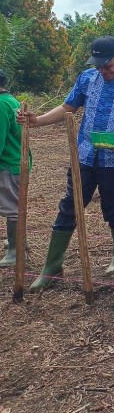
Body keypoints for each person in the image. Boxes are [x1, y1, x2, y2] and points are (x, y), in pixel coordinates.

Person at [16, 36, 114, 291]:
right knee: (69, 206)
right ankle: (52, 266)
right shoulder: (87, 78)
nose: (103, 70)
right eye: (98, 65)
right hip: (84, 155)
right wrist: (38, 120)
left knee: (113, 206)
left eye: (108, 65)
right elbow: (68, 106)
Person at [0, 69, 23, 267]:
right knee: (14, 204)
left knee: (12, 208)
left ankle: (15, 251)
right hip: (16, 160)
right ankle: (17, 241)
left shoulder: (0, 105)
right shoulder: (11, 100)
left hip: (7, 163)